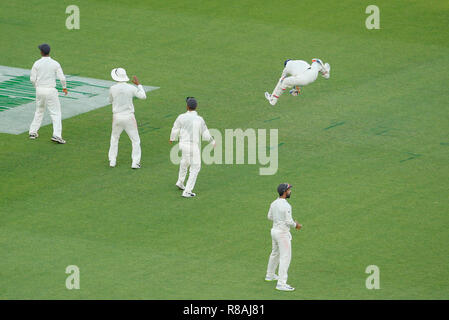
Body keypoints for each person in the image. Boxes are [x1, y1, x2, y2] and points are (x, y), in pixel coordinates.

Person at [169, 97, 215, 198]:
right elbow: (205, 133)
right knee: (195, 168)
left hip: (182, 145)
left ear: (187, 106)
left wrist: (172, 138)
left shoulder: (181, 117)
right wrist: (212, 142)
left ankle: (180, 182)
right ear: (196, 107)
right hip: (193, 146)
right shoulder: (199, 119)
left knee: (185, 162)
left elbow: (175, 128)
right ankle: (187, 191)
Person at [265, 183, 302, 291]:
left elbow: (269, 216)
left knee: (275, 253)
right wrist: (297, 225)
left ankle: (270, 275)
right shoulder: (286, 206)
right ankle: (281, 284)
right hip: (282, 234)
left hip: (274, 231)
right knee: (285, 257)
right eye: (289, 190)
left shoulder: (273, 203)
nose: (290, 191)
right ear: (284, 192)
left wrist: (278, 220)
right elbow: (289, 221)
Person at [108, 67, 147, 169]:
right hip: (129, 117)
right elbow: (143, 96)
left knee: (114, 138)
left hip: (117, 117)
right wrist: (139, 85)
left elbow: (110, 100)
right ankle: (135, 163)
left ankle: (112, 161)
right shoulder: (131, 88)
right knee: (135, 140)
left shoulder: (112, 88)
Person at [29, 43, 68, 143]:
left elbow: (32, 79)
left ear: (41, 52)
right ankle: (57, 135)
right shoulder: (55, 63)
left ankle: (33, 132)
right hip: (51, 90)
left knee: (39, 110)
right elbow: (62, 78)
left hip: (40, 90)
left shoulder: (36, 63)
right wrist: (64, 88)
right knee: (56, 113)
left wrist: (37, 87)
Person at [264, 58, 331, 106]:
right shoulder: (300, 62)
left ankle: (273, 99)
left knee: (284, 81)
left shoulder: (287, 67)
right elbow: (301, 75)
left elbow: (281, 80)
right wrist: (296, 89)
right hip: (313, 76)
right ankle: (325, 73)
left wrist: (273, 94)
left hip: (303, 79)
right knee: (316, 62)